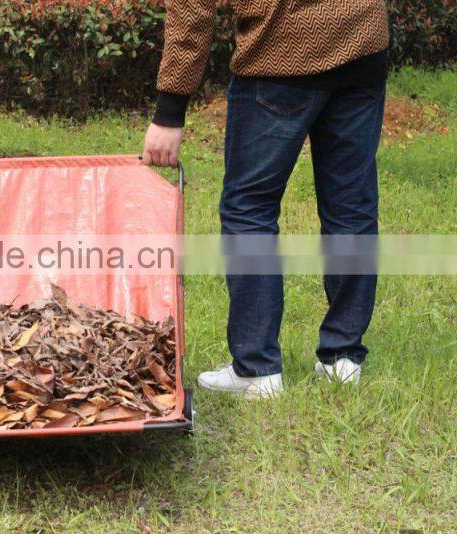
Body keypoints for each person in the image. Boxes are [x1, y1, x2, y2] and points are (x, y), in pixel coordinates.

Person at [142, 1, 389, 399]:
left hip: (281, 58)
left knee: (249, 211)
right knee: (351, 209)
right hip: (362, 43)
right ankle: (343, 358)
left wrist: (170, 111)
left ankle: (257, 370)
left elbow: (192, 9)